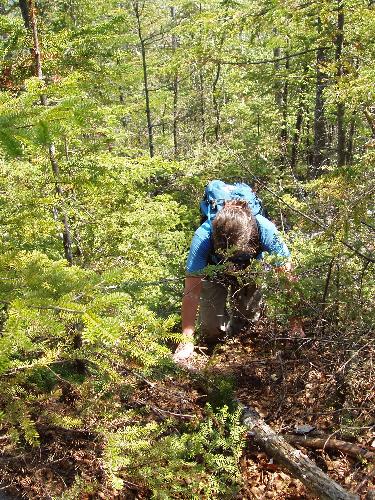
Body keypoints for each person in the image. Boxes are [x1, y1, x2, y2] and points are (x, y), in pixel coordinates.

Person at [173, 188, 304, 364]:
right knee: (210, 330)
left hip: (250, 268)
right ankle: (216, 351)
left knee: (247, 324)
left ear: (249, 237)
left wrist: (296, 325)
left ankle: (238, 347)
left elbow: (288, 280)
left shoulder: (265, 230)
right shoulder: (203, 236)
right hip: (214, 270)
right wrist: (186, 342)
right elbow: (191, 291)